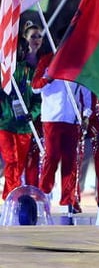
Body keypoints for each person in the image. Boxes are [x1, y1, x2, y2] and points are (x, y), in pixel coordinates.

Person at [33, 51, 92, 215]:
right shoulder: (47, 60)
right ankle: (44, 193)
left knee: (70, 161)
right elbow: (35, 87)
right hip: (52, 118)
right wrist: (47, 79)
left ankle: (68, 199)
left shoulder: (78, 62)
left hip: (72, 119)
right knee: (51, 157)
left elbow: (85, 91)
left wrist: (86, 114)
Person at [0, 22, 43, 198]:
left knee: (20, 165)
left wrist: (32, 114)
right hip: (6, 124)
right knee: (12, 161)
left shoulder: (30, 72)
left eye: (20, 49)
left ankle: (9, 197)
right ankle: (14, 198)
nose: (18, 52)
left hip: (25, 127)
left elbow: (38, 99)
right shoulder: (4, 72)